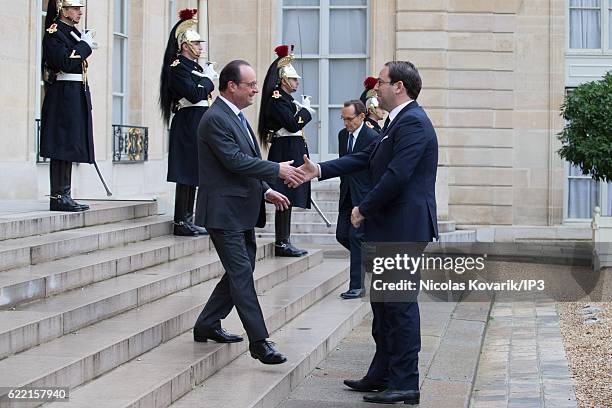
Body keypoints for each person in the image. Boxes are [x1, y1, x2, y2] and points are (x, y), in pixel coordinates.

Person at [295, 61, 439, 405]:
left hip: (403, 227)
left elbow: (397, 175)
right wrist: (319, 170)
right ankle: (382, 374)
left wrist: (364, 207)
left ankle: (405, 382)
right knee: (384, 306)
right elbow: (364, 158)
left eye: (382, 82)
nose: (375, 88)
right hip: (390, 226)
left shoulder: (414, 123)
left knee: (399, 306)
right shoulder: (394, 122)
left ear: (399, 87)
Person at [193, 60, 306, 365]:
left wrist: (265, 190)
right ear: (232, 86)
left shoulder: (237, 117)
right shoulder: (215, 118)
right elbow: (234, 161)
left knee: (240, 271)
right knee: (242, 274)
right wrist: (276, 170)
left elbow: (242, 162)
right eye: (251, 84)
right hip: (223, 212)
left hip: (242, 208)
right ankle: (260, 341)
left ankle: (207, 323)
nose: (257, 89)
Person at [159, 8, 218, 236]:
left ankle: (189, 218)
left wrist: (205, 80)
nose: (200, 47)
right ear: (185, 46)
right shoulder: (178, 67)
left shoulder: (194, 67)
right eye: (196, 44)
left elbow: (202, 92)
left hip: (198, 119)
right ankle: (181, 221)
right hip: (187, 119)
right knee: (186, 172)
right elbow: (195, 94)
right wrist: (208, 81)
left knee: (194, 170)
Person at [257, 45, 314, 257]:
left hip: (292, 149)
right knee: (284, 195)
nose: (297, 82)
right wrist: (306, 112)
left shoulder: (287, 99)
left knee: (288, 196)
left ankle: (285, 239)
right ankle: (281, 242)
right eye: (293, 79)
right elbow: (291, 125)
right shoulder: (277, 98)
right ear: (283, 80)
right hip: (285, 151)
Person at [41, 0, 96, 212]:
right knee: (61, 143)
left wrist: (83, 44)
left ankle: (66, 193)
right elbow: (65, 62)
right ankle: (58, 196)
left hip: (74, 93)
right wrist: (85, 46)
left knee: (70, 142)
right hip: (62, 94)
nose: (79, 12)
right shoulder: (54, 33)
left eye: (79, 8)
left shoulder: (72, 33)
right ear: (63, 11)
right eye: (74, 8)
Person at [335, 100, 378, 299]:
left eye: (349, 119)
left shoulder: (373, 137)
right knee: (341, 235)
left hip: (364, 196)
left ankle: (357, 286)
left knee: (356, 238)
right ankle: (372, 260)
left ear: (362, 117)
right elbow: (344, 165)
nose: (346, 123)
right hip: (346, 194)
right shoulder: (342, 136)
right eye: (343, 119)